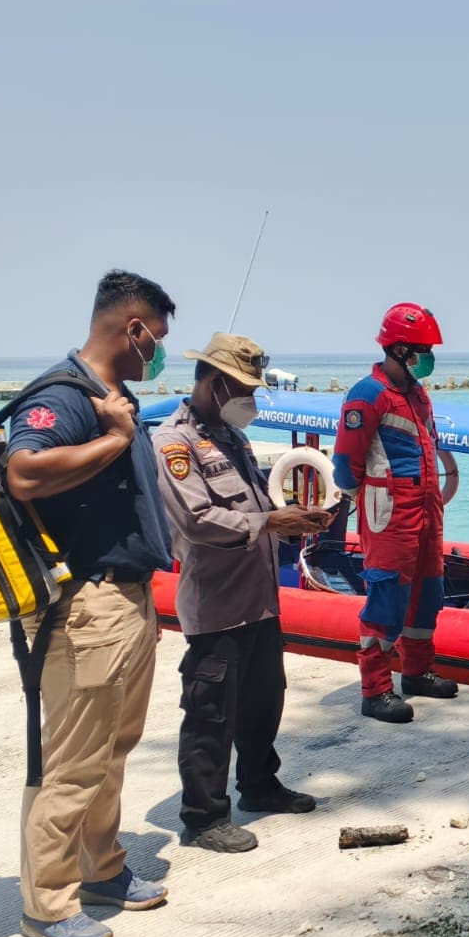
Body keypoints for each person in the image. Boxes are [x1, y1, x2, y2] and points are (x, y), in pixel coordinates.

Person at [5, 270, 177, 937]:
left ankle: (102, 869)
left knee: (113, 749)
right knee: (72, 761)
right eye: (156, 339)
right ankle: (46, 905)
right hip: (85, 607)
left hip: (126, 599)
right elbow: (24, 472)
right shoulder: (63, 396)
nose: (158, 353)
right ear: (131, 328)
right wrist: (110, 440)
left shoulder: (114, 396)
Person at [154, 333, 334, 853]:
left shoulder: (231, 439)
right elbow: (197, 520)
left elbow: (252, 507)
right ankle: (205, 817)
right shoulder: (175, 443)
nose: (252, 401)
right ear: (214, 384)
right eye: (244, 390)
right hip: (218, 605)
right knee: (211, 712)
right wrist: (270, 520)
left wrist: (293, 522)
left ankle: (259, 784)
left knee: (263, 700)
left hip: (259, 599)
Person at [331, 303, 458, 723]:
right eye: (422, 349)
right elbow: (345, 463)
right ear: (400, 348)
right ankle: (376, 690)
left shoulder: (418, 394)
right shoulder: (367, 394)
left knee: (428, 590)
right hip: (389, 510)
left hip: (426, 507)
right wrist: (366, 499)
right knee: (388, 594)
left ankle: (417, 672)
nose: (429, 357)